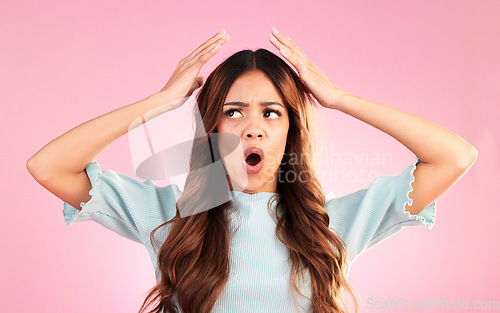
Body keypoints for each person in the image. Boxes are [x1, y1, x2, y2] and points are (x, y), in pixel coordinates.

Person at [26, 28, 478, 313]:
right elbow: (48, 166)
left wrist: (338, 99)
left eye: (272, 113)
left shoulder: (334, 226)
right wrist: (159, 102)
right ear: (213, 128)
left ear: (290, 130)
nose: (253, 130)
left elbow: (454, 157)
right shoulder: (166, 217)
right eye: (235, 112)